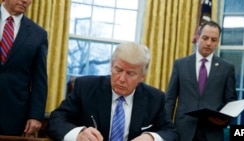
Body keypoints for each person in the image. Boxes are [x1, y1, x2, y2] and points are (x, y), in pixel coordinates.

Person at [47, 42, 179, 141]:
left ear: (142, 76)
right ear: (111, 66)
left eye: (130, 74)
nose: (122, 79)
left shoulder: (155, 98)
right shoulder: (86, 87)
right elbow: (56, 120)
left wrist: (151, 137)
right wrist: (79, 134)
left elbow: (171, 132)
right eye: (118, 70)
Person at [165, 21, 237, 141]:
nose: (209, 43)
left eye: (213, 40)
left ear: (218, 42)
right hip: (183, 131)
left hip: (212, 132)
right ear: (198, 38)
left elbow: (231, 102)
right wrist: (166, 128)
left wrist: (223, 119)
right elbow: (170, 99)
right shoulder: (180, 64)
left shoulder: (227, 68)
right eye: (205, 38)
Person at [0, 0, 48, 136]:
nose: (25, 1)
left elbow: (40, 79)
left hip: (13, 114)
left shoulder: (38, 34)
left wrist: (36, 115)